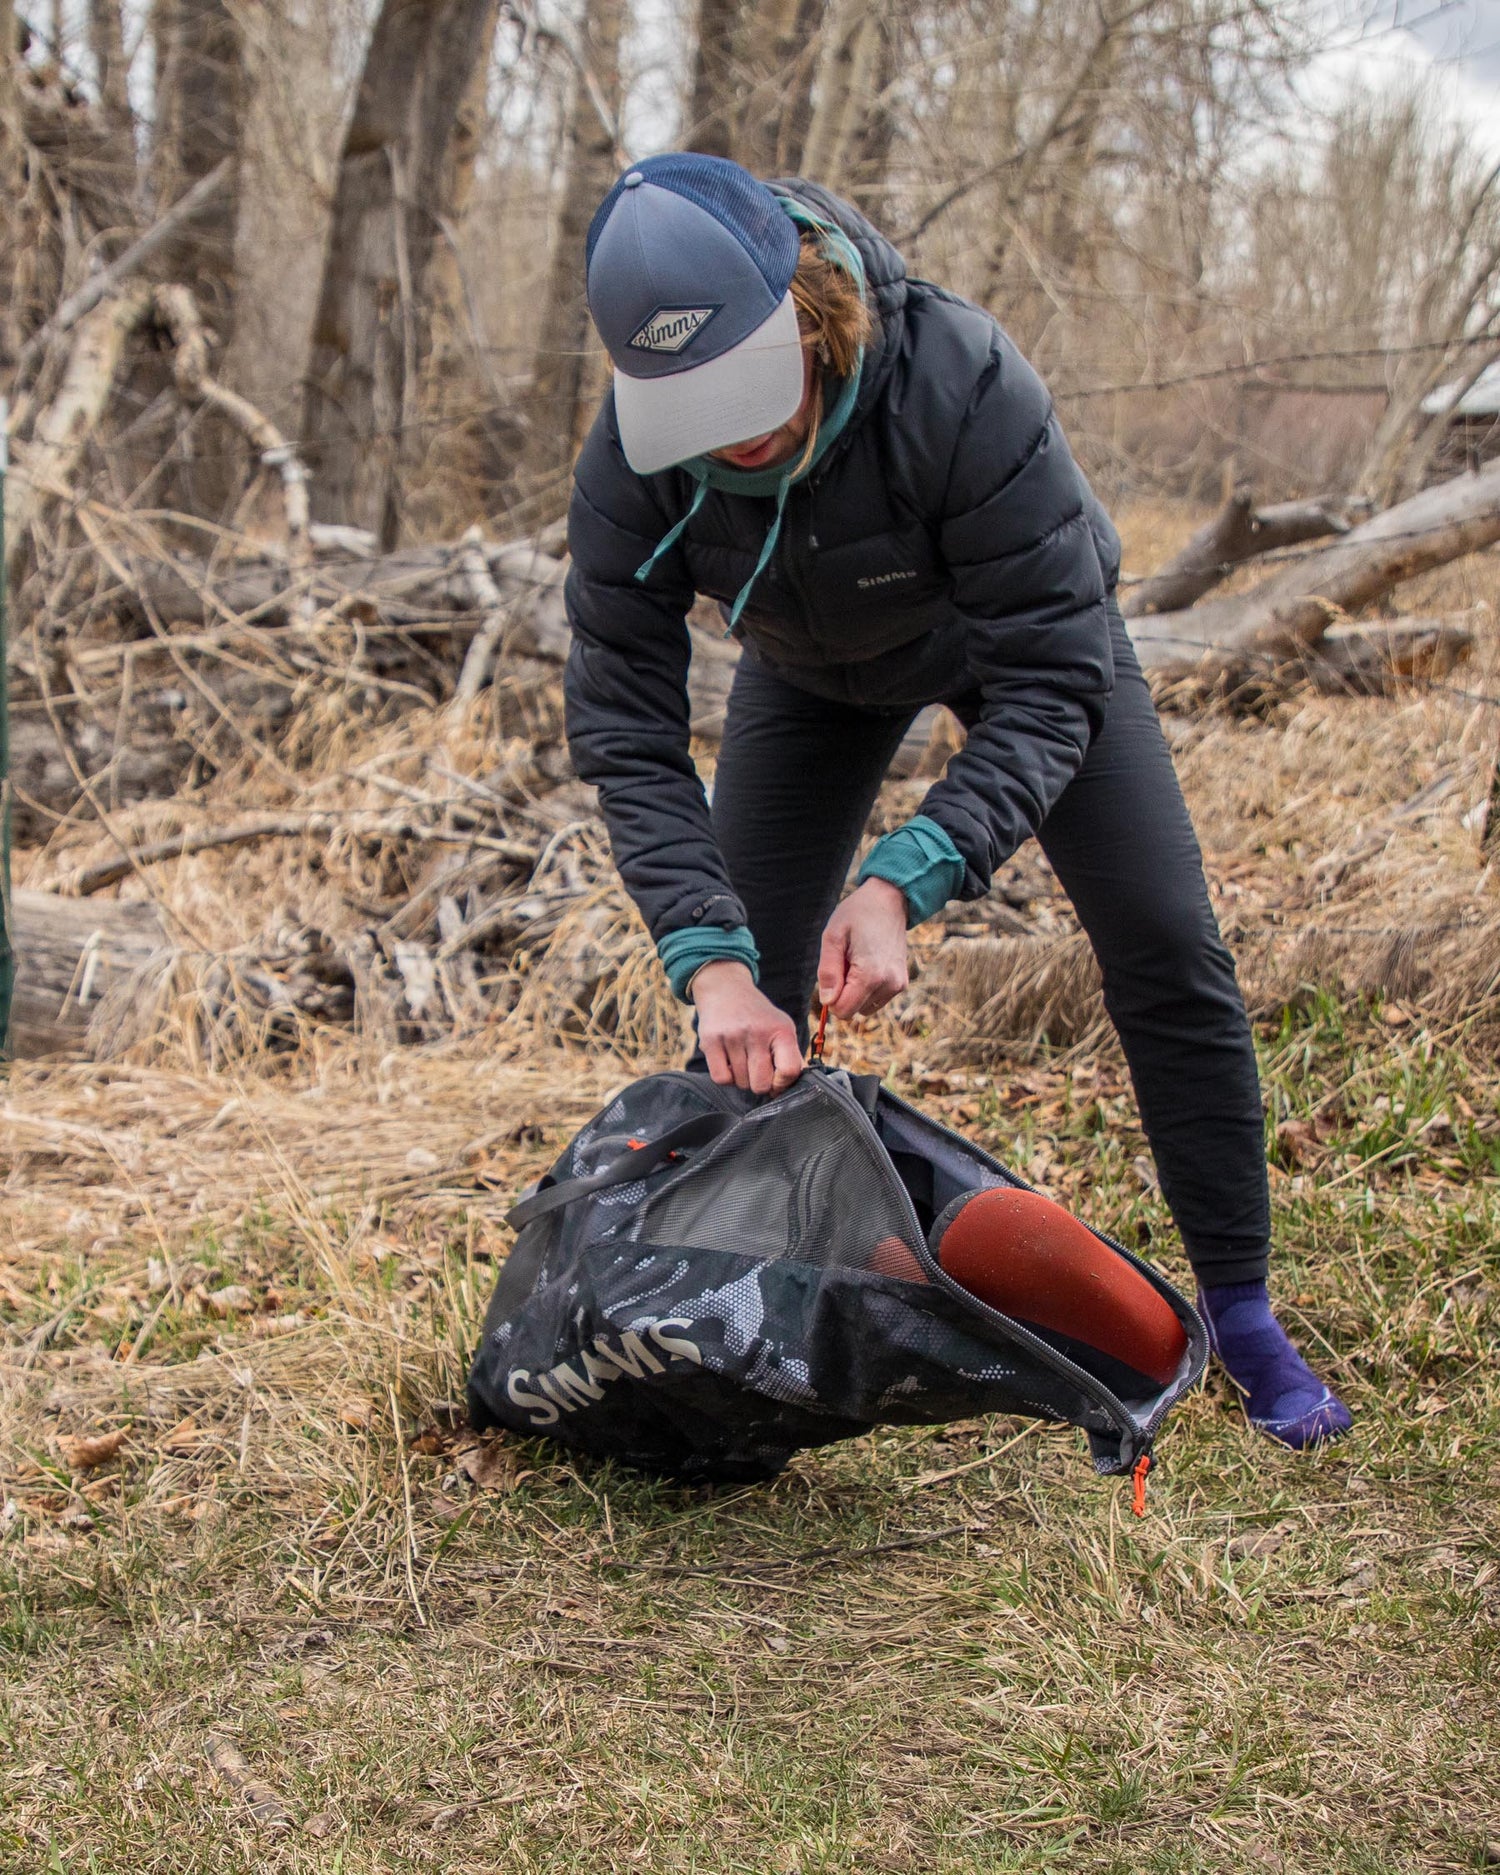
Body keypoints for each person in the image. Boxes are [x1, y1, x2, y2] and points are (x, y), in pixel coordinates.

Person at [561, 153, 1351, 1450]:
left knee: (1164, 935)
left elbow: (1053, 680)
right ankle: (751, 1321)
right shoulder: (632, 458)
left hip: (1023, 654)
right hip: (810, 673)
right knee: (746, 1006)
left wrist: (904, 879)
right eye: (691, 405)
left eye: (745, 386)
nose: (731, 434)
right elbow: (627, 731)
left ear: (805, 310)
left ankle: (1244, 1309)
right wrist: (710, 965)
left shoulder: (960, 380)